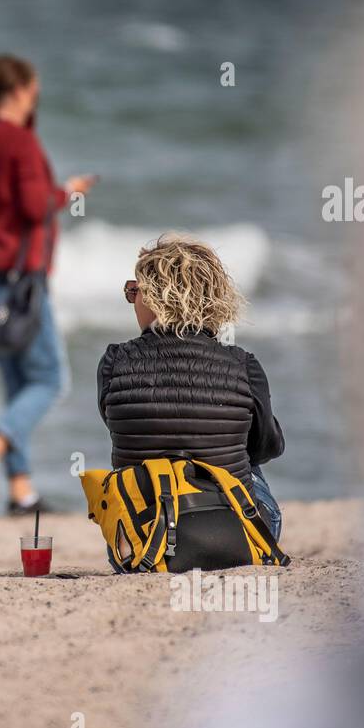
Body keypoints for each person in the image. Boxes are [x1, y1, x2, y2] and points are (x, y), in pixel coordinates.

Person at [0, 54, 98, 517]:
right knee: (51, 380)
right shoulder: (19, 142)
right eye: (34, 92)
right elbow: (36, 206)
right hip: (17, 281)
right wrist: (69, 191)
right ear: (19, 92)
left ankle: (21, 493)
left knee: (18, 383)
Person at [97, 235, 284, 569]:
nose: (132, 300)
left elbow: (117, 423)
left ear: (154, 297)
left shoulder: (115, 362)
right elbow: (267, 448)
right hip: (236, 537)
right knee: (250, 464)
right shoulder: (243, 364)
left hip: (139, 544)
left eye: (133, 290)